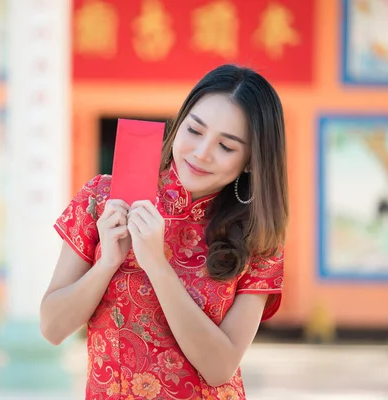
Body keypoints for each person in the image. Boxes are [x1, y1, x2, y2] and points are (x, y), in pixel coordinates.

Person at [40, 64, 288, 399]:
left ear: (250, 160)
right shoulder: (103, 199)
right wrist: (106, 264)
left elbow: (219, 368)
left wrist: (156, 264)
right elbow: (52, 328)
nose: (201, 153)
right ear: (180, 122)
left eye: (226, 146)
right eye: (194, 131)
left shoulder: (258, 237)